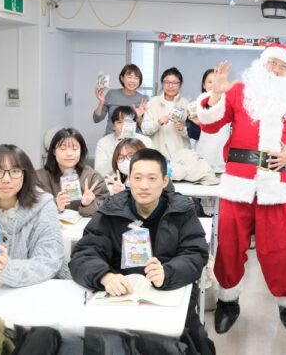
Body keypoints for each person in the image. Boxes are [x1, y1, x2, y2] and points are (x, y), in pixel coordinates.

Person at [196, 44, 286, 339]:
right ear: (261, 64)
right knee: (229, 244)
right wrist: (216, 95)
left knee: (283, 247)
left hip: (275, 185)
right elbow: (209, 124)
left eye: (282, 66)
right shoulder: (239, 91)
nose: (275, 69)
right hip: (238, 182)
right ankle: (227, 301)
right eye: (272, 63)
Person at [69, 149, 214, 355]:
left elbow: (195, 253)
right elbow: (84, 254)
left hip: (168, 297)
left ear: (165, 181)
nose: (144, 185)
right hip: (120, 299)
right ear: (129, 179)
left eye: (152, 178)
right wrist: (104, 276)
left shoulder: (181, 210)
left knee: (189, 343)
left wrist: (168, 273)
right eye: (137, 178)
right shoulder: (111, 211)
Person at [0, 144, 66, 287]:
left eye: (15, 171)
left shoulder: (44, 206)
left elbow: (49, 261)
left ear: (25, 175)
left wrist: (9, 270)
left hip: (37, 291)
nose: (6, 179)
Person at [37, 128, 109, 217]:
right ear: (54, 151)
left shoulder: (93, 177)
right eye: (63, 149)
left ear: (81, 151)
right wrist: (54, 205)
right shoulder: (39, 177)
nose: (69, 154)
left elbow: (105, 209)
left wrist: (87, 205)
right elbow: (31, 210)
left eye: (74, 149)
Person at [142, 67, 191, 160]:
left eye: (175, 83)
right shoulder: (152, 102)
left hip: (181, 155)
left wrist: (183, 129)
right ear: (162, 83)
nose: (170, 86)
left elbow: (192, 134)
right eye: (167, 82)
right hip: (158, 154)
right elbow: (145, 130)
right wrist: (158, 122)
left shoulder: (185, 104)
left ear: (180, 84)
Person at [189, 68, 232, 174]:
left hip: (223, 159)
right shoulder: (196, 106)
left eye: (217, 81)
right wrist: (196, 124)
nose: (214, 85)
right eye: (210, 82)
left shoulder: (229, 105)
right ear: (204, 85)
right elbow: (193, 135)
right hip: (203, 158)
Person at [94, 106, 153, 177]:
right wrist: (117, 150)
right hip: (113, 181)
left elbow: (151, 167)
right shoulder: (103, 142)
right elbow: (99, 172)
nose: (123, 126)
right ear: (113, 126)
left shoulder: (146, 141)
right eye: (119, 122)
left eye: (128, 122)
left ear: (134, 124)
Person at [93, 64, 148, 135]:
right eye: (129, 77)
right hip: (111, 137)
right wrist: (101, 102)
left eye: (136, 78)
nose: (132, 81)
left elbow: (145, 129)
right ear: (122, 78)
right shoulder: (112, 94)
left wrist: (139, 117)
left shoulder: (143, 99)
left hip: (131, 139)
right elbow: (96, 119)